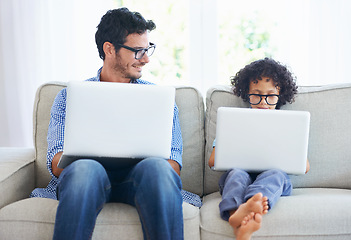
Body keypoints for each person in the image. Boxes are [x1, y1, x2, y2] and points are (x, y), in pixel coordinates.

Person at [30, 7, 201, 240]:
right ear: (109, 49)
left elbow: (173, 166)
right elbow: (57, 164)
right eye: (138, 51)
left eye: (148, 49)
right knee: (83, 170)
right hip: (89, 178)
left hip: (141, 180)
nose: (147, 59)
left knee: (158, 169)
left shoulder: (160, 100)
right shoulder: (69, 97)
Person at [208, 58, 310, 240]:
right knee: (236, 174)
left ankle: (247, 207)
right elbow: (212, 161)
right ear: (246, 94)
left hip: (273, 179)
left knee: (275, 175)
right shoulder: (234, 122)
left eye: (271, 96)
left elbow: (305, 166)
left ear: (280, 95)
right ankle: (238, 217)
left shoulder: (288, 125)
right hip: (239, 175)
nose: (263, 102)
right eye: (256, 95)